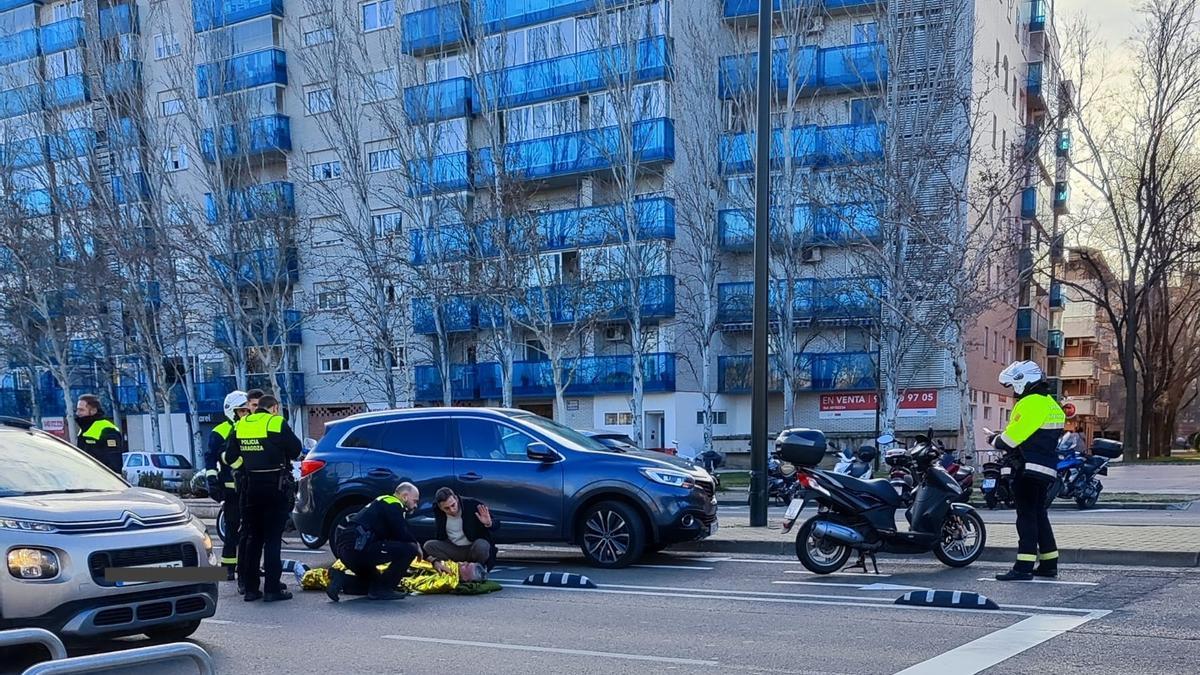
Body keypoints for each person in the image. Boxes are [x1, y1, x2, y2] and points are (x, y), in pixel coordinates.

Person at [223, 394, 302, 602]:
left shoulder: (240, 425)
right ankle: (272, 589)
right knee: (272, 540)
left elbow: (230, 457)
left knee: (252, 538)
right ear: (274, 408)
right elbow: (296, 450)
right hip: (275, 487)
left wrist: (248, 464)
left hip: (250, 487)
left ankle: (250, 589)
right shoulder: (275, 423)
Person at [991, 360, 1065, 581]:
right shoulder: (1051, 403)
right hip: (1045, 469)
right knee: (1039, 514)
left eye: (1014, 385)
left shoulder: (1030, 403)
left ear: (1024, 381)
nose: (1014, 391)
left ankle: (1023, 567)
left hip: (1027, 469)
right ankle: (1049, 563)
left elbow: (1011, 439)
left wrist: (995, 439)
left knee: (1026, 517)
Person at [327, 483, 423, 602]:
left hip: (348, 547)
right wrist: (416, 545)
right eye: (415, 501)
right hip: (359, 546)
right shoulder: (394, 504)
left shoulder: (383, 501)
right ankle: (384, 590)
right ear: (405, 496)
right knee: (409, 549)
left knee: (374, 584)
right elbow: (402, 533)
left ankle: (340, 579)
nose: (416, 505)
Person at [204, 391, 252, 585]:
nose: (245, 414)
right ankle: (228, 568)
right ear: (232, 411)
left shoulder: (249, 428)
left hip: (249, 487)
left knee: (249, 531)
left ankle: (247, 567)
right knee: (232, 529)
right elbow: (211, 458)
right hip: (231, 489)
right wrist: (212, 482)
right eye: (241, 411)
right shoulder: (220, 431)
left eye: (246, 410)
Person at [424, 487, 499, 570]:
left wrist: (489, 523)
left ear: (456, 499)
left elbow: (497, 524)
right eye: (447, 508)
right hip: (453, 548)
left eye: (453, 505)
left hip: (472, 547)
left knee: (482, 545)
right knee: (429, 546)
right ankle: (452, 568)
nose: (452, 510)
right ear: (440, 507)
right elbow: (440, 535)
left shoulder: (472, 504)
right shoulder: (437, 510)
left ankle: (477, 569)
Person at [74, 394, 124, 473]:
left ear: (93, 411)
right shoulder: (84, 428)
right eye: (77, 410)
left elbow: (114, 463)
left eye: (81, 410)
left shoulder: (108, 429)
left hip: (102, 480)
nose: (77, 413)